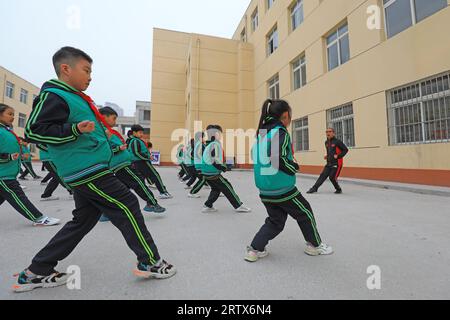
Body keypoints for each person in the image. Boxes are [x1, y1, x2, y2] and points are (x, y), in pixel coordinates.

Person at [13, 47, 176, 293]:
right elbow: (34, 130)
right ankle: (151, 262)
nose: (90, 77)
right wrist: (76, 129)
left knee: (82, 221)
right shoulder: (55, 95)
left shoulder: (74, 97)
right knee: (128, 204)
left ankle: (37, 270)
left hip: (88, 168)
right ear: (66, 69)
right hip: (85, 169)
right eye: (86, 70)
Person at [246, 99, 334, 262]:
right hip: (282, 187)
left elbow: (254, 155)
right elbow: (276, 158)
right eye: (290, 116)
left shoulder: (262, 133)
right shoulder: (280, 132)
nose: (290, 120)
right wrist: (293, 166)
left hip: (265, 190)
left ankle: (254, 249)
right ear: (285, 116)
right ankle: (315, 246)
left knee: (276, 221)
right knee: (305, 212)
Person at [0, 103, 60, 227]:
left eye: (14, 115)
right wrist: (9, 157)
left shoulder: (6, 130)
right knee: (17, 196)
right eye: (10, 114)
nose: (13, 117)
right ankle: (39, 218)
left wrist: (21, 155)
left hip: (8, 172)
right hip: (3, 175)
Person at [98, 106, 165, 215]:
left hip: (122, 164)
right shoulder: (101, 131)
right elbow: (102, 148)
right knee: (139, 182)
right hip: (121, 165)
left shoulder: (107, 131)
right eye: (113, 118)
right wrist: (118, 148)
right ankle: (152, 203)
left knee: (122, 189)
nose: (115, 122)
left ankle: (106, 212)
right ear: (104, 116)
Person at [201, 125, 251, 214]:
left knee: (216, 189)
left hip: (206, 172)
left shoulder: (209, 144)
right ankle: (238, 205)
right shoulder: (215, 144)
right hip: (212, 172)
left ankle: (208, 205)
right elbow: (214, 159)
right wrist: (223, 167)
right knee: (227, 187)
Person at [128, 125, 173, 200]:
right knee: (155, 175)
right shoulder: (135, 141)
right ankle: (163, 192)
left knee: (141, 179)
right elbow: (136, 153)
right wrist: (148, 157)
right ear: (134, 133)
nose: (141, 134)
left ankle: (145, 195)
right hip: (142, 162)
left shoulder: (136, 140)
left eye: (142, 132)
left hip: (139, 162)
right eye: (140, 132)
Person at [307, 128, 349, 194]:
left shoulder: (337, 142)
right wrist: (327, 156)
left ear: (333, 133)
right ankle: (314, 188)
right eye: (326, 132)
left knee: (332, 177)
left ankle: (338, 189)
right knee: (322, 175)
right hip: (329, 163)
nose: (328, 133)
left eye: (329, 131)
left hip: (337, 163)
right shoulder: (326, 142)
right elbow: (330, 151)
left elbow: (345, 150)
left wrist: (338, 156)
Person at [188, 132, 208, 199]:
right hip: (200, 165)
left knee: (210, 178)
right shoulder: (200, 145)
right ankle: (192, 192)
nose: (204, 138)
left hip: (198, 164)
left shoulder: (197, 144)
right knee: (203, 179)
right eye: (203, 137)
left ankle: (217, 190)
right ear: (200, 138)